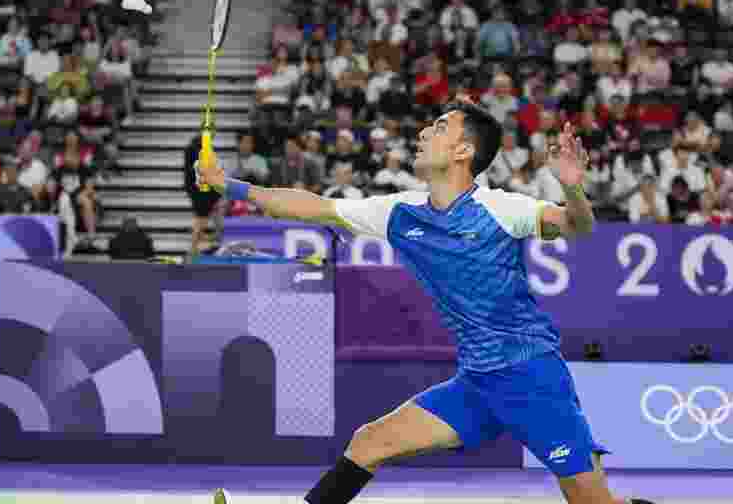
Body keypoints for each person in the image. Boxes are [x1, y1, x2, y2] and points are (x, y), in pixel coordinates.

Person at [201, 101, 653, 504]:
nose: (422, 133)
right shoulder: (401, 213)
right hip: (476, 384)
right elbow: (312, 206)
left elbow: (577, 226)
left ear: (464, 151)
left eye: (438, 127)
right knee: (369, 443)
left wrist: (572, 189)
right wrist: (228, 186)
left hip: (531, 377)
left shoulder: (500, 209)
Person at [184, 135, 223, 255]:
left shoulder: (202, 149)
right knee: (201, 220)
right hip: (201, 191)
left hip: (204, 190)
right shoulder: (194, 150)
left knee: (204, 220)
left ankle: (196, 248)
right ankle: (193, 251)